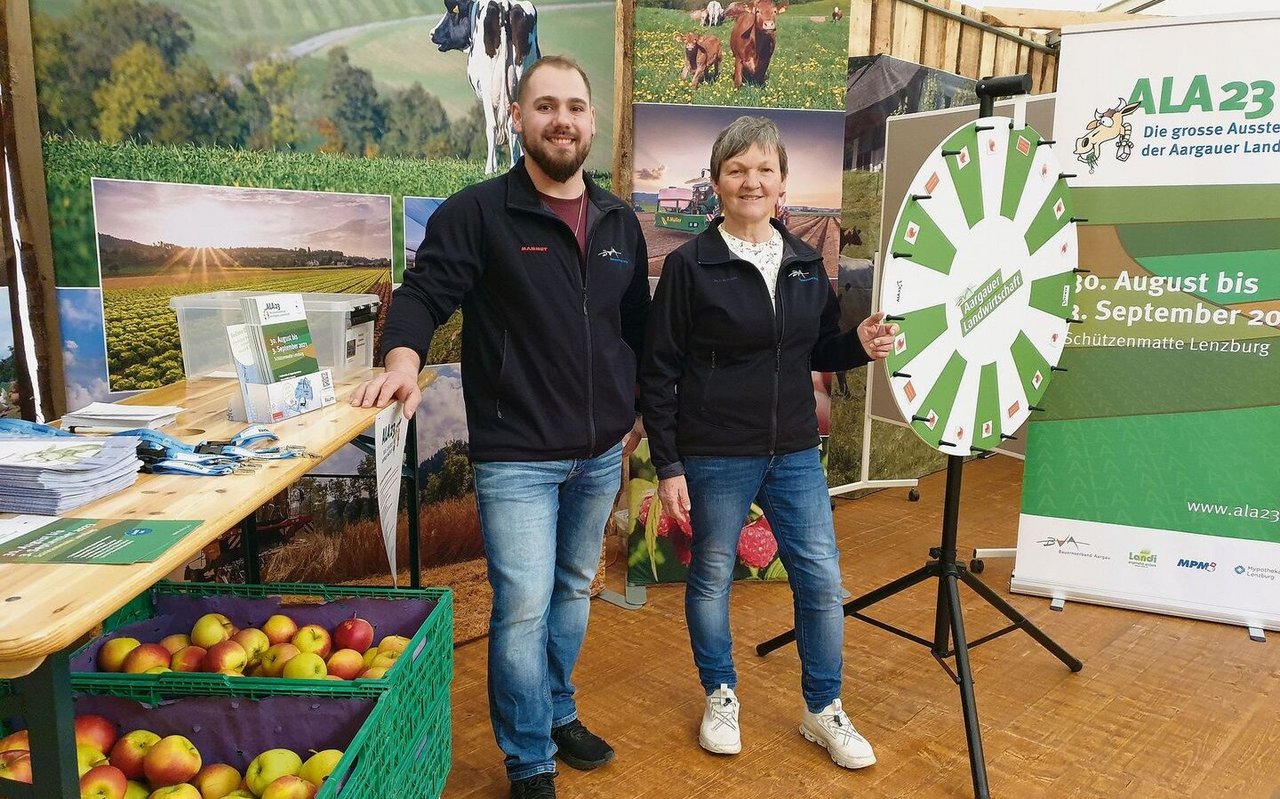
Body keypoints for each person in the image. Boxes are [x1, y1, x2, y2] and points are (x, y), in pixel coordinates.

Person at [351, 55, 649, 799]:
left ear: (591, 121)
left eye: (576, 107)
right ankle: (528, 760)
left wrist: (635, 411)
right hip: (517, 455)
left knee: (575, 591)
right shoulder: (478, 213)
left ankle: (556, 711)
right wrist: (401, 359)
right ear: (517, 117)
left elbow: (634, 330)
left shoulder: (618, 222)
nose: (563, 120)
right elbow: (422, 297)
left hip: (600, 455)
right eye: (545, 106)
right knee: (522, 607)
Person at [638, 115, 896, 770]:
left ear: (782, 182)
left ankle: (822, 707)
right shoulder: (691, 266)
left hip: (794, 451)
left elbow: (817, 349)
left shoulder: (808, 263)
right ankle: (720, 693)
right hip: (715, 451)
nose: (751, 180)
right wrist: (669, 464)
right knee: (713, 574)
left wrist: (857, 347)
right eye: (736, 169)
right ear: (718, 183)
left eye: (764, 169)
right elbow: (660, 370)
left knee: (821, 577)